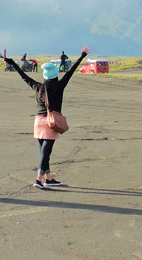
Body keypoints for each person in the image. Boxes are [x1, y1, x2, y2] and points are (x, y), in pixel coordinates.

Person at [5, 45, 90, 188]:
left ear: (44, 76)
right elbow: (71, 71)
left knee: (43, 152)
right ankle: (38, 179)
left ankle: (48, 179)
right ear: (55, 74)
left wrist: (12, 62)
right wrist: (82, 56)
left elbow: (24, 77)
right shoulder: (59, 86)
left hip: (38, 122)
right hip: (51, 123)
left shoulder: (38, 87)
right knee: (46, 152)